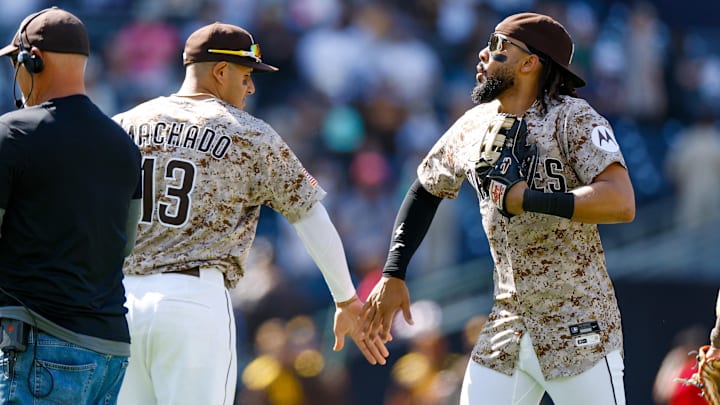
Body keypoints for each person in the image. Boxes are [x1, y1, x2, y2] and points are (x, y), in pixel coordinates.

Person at [362, 12, 635, 405]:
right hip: (507, 325)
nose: (483, 54)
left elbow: (621, 201)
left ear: (530, 63)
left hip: (577, 322)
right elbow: (424, 189)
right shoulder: (474, 124)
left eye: (497, 46)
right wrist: (394, 272)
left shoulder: (572, 117)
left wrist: (528, 200)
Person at [113, 22, 389, 405]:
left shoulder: (124, 124)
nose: (251, 87)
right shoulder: (246, 131)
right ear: (221, 71)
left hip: (123, 302)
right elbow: (308, 215)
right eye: (245, 75)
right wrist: (345, 299)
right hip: (194, 299)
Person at [0, 7, 142, 404]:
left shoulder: (12, 133)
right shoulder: (123, 145)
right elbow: (125, 245)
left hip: (40, 348)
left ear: (34, 59)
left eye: (16, 61)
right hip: (110, 352)